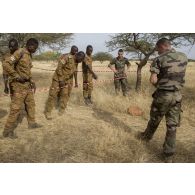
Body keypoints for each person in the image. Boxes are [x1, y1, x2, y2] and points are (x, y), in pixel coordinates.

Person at [137, 38, 188, 162]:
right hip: (177, 96)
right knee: (172, 126)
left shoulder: (159, 59)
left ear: (162, 46)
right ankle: (168, 156)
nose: (157, 52)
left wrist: (160, 85)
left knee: (155, 119)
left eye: (157, 49)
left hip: (163, 96)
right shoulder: (184, 56)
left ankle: (146, 138)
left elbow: (153, 80)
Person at [2, 38, 42, 139]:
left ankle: (32, 123)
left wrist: (32, 81)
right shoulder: (19, 52)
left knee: (31, 104)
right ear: (30, 46)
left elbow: (27, 70)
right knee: (15, 109)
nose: (36, 50)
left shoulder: (29, 55)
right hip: (19, 86)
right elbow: (6, 64)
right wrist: (16, 75)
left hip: (27, 85)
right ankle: (7, 131)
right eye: (35, 48)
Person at [44, 51, 85, 120]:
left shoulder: (76, 62)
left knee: (65, 95)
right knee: (53, 95)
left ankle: (62, 110)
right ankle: (48, 112)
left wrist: (71, 82)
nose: (81, 61)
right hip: (57, 79)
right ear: (78, 55)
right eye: (81, 59)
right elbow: (59, 68)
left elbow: (73, 72)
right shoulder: (67, 57)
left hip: (66, 81)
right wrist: (61, 80)